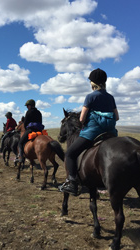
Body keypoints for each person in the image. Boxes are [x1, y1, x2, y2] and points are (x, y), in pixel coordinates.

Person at [59, 68, 119, 196]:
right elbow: (117, 117)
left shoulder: (90, 97)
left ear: (93, 83)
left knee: (70, 153)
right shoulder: (110, 97)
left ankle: (72, 183)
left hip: (92, 133)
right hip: (110, 133)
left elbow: (81, 118)